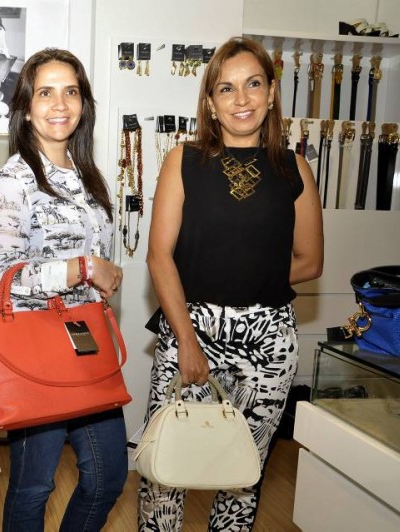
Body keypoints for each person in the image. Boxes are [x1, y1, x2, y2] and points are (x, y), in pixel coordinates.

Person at [139, 37, 323, 531]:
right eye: (227, 88)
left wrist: (248, 271)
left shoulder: (295, 168)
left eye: (253, 85)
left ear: (270, 93)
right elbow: (159, 258)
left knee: (244, 470)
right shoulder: (184, 161)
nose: (242, 99)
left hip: (270, 341)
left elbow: (309, 261)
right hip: (190, 331)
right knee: (165, 470)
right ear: (211, 103)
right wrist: (187, 341)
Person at [0, 48, 128, 531]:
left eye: (71, 92)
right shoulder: (12, 183)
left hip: (89, 345)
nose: (59, 104)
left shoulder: (89, 178)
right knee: (35, 487)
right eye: (46, 92)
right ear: (26, 106)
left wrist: (104, 272)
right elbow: (3, 278)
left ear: (84, 104)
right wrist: (83, 267)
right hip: (39, 351)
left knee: (108, 478)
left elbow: (96, 260)